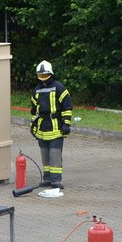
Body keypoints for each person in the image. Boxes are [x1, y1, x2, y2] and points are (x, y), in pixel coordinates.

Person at [29, 60, 73, 189]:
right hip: (42, 128)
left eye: (45, 76)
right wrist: (33, 125)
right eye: (40, 76)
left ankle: (56, 180)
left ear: (51, 74)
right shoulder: (36, 90)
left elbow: (67, 107)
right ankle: (47, 178)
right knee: (44, 154)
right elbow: (34, 110)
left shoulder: (59, 88)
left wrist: (66, 124)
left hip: (56, 127)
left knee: (54, 154)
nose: (42, 79)